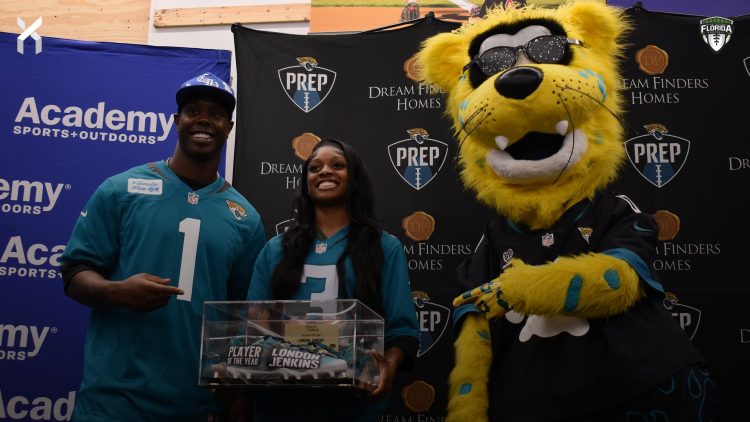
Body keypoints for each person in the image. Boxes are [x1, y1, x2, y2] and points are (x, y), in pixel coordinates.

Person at [60, 72, 266, 421]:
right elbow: (74, 273)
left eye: (215, 114)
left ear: (229, 128)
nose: (203, 119)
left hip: (197, 406)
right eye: (193, 110)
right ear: (176, 121)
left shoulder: (245, 217)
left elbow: (244, 314)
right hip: (113, 403)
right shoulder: (121, 189)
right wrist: (116, 292)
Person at [246, 139, 419, 421]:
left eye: (337, 165)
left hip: (353, 405)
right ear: (305, 182)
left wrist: (388, 364)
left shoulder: (383, 247)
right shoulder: (276, 249)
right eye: (315, 168)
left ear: (355, 178)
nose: (325, 171)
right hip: (280, 404)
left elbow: (402, 329)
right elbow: (255, 322)